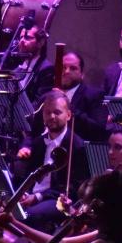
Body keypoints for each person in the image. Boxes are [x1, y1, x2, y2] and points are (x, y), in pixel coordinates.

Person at [16, 90, 91, 234]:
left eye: (57, 112)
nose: (51, 116)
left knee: (30, 216)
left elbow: (74, 187)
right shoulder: (38, 143)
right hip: (34, 196)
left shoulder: (77, 146)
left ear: (68, 115)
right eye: (47, 112)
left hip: (58, 200)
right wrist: (25, 194)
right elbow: (29, 175)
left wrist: (38, 197)